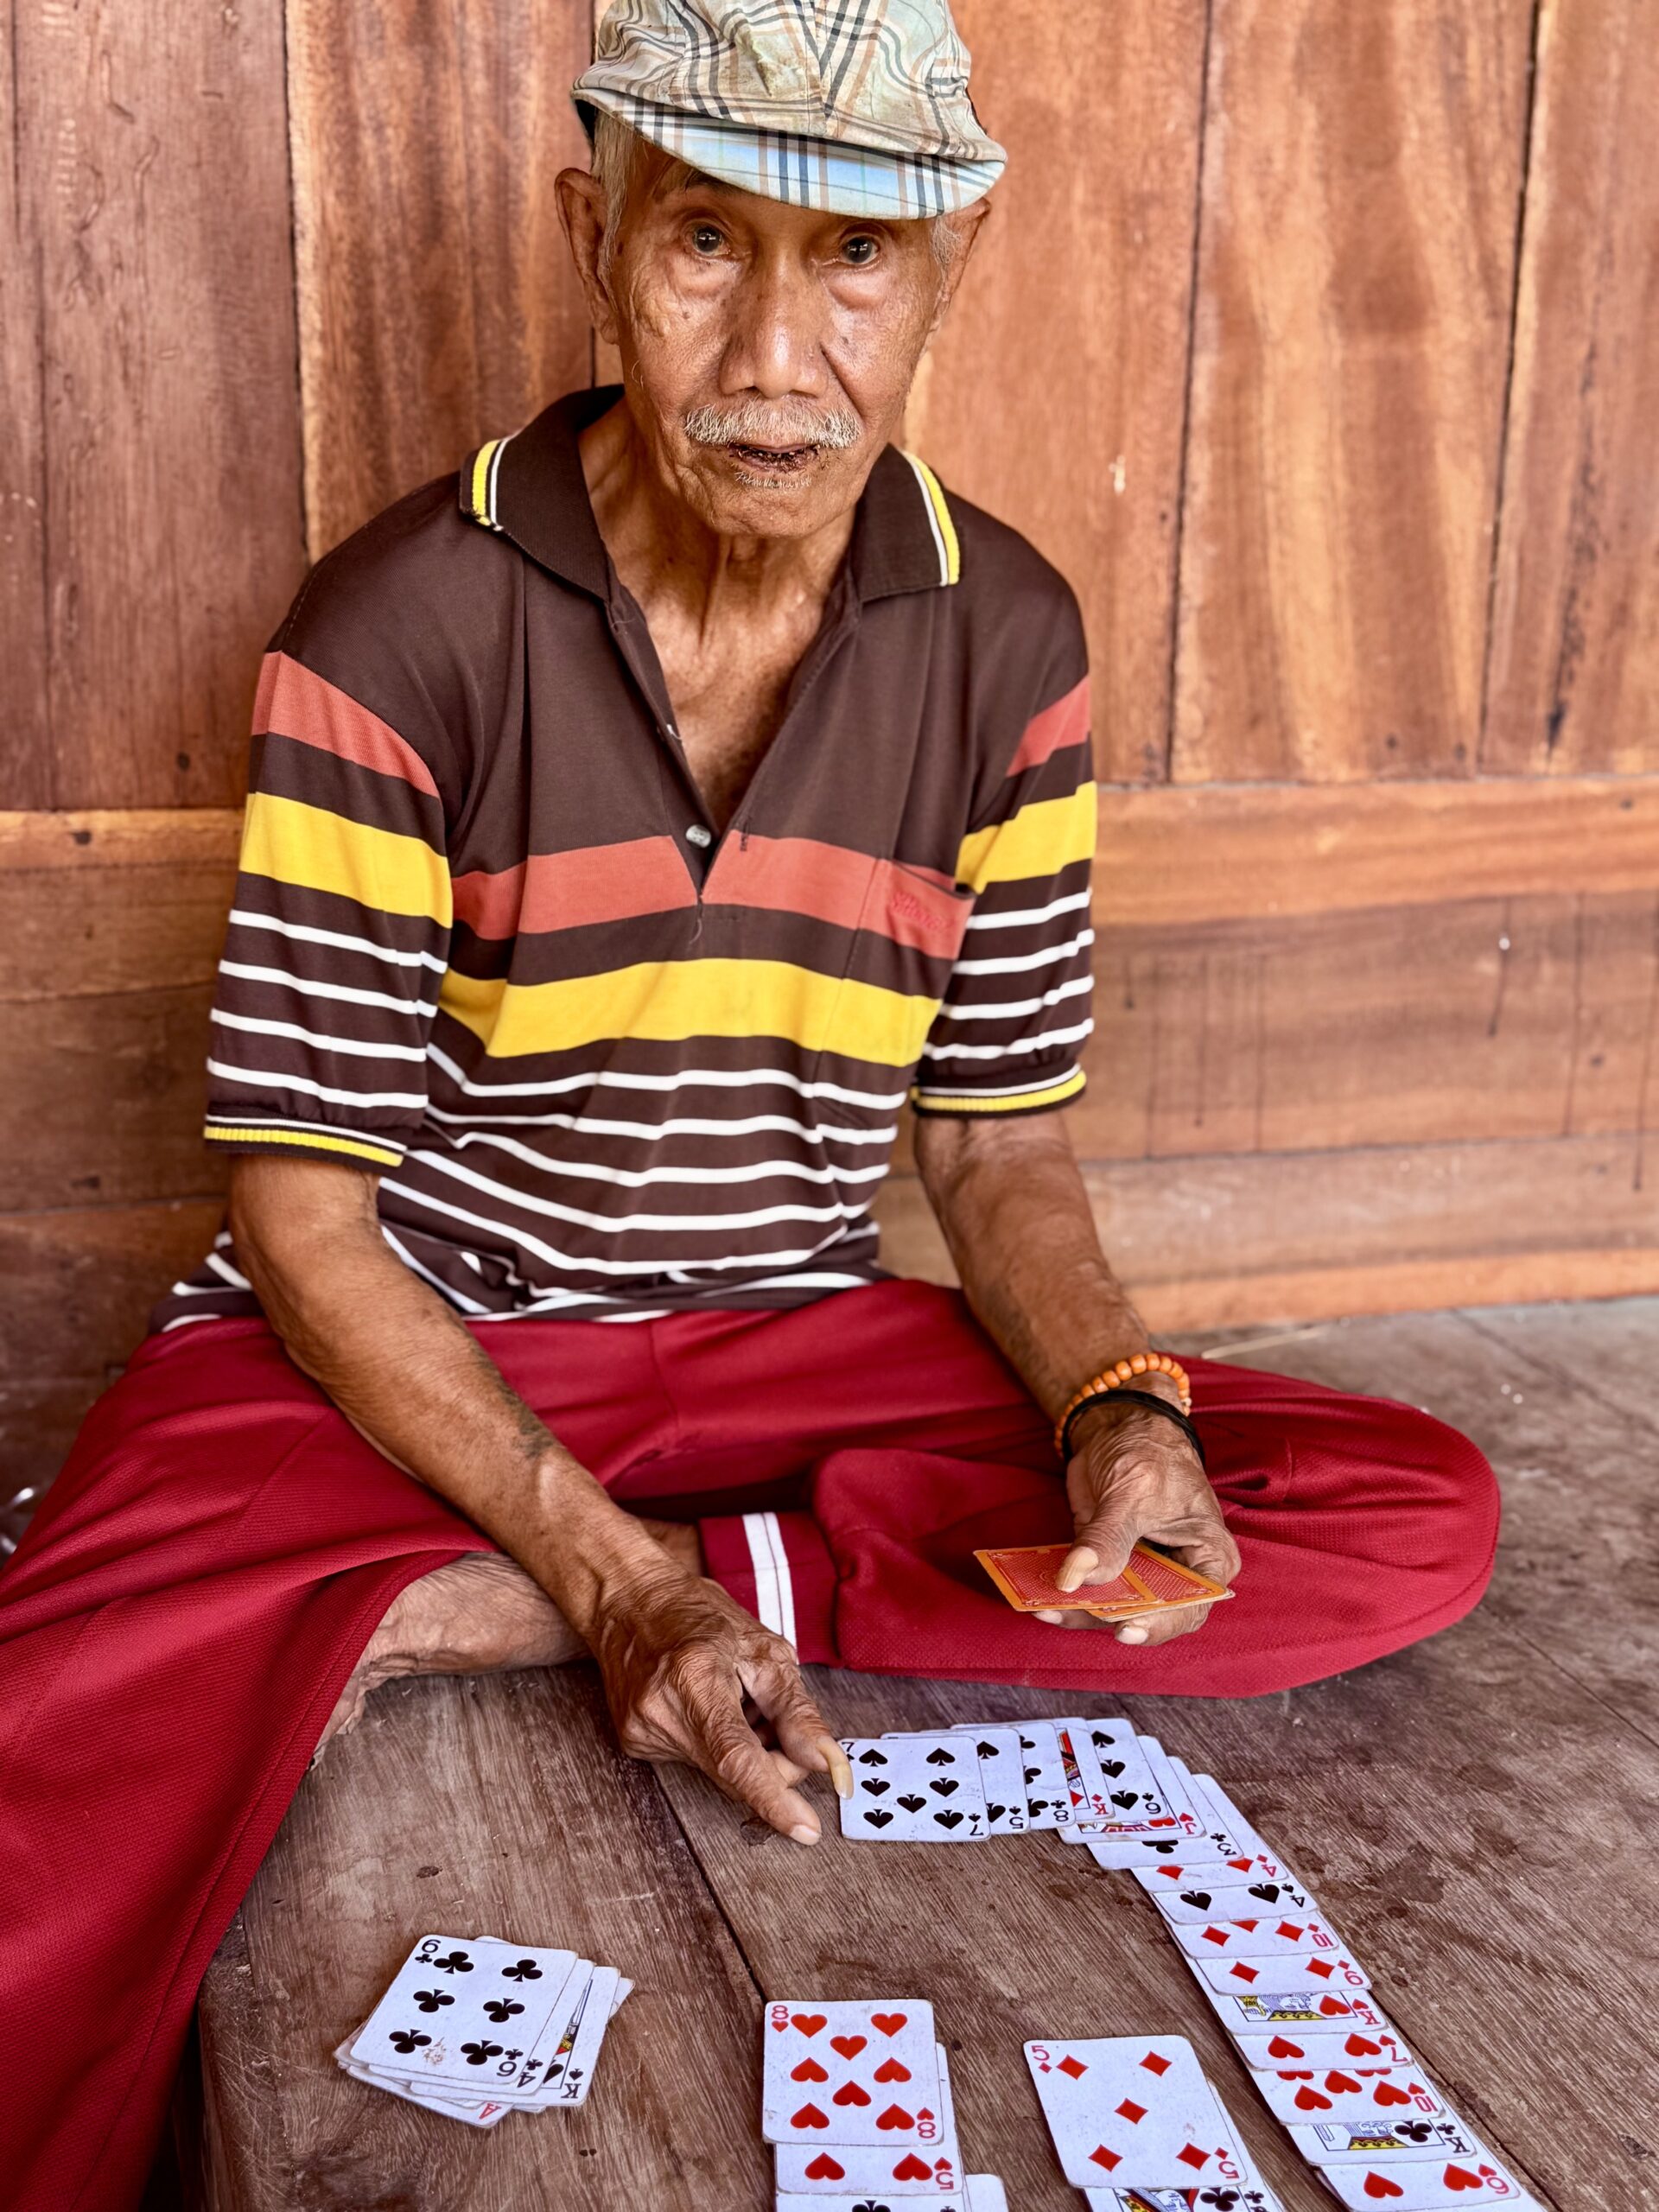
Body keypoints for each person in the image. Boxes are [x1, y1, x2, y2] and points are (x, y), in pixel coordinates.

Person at [0, 4, 1499, 2204]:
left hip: (780, 1350)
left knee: (1400, 1506)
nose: (776, 353)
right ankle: (571, 1573)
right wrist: (611, 1568)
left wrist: (1112, 1406)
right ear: (596, 233)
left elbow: (989, 1143)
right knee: (33, 1769)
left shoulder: (1010, 641)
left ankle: (476, 1600)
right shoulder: (399, 623)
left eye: (859, 259)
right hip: (407, 1346)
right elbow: (304, 1216)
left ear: (953, 265)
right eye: (708, 243)